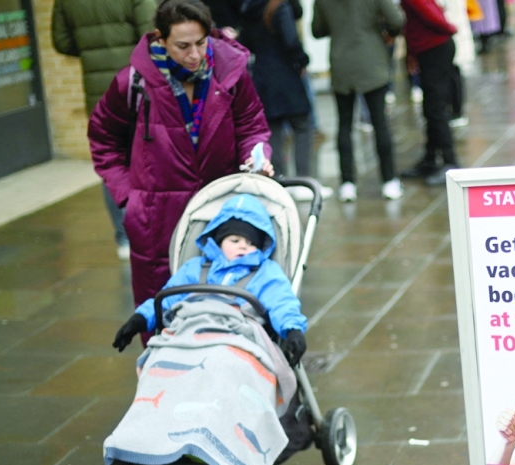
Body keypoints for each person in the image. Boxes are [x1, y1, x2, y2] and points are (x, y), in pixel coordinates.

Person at [89, 0, 273, 310]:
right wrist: (129, 197)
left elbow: (252, 125)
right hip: (155, 222)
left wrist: (256, 155)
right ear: (160, 38)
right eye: (183, 46)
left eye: (201, 43)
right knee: (161, 314)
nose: (195, 55)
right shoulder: (132, 83)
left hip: (221, 212)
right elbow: (103, 140)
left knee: (227, 310)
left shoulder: (230, 73)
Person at [112, 193, 307, 364]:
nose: (243, 247)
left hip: (237, 339)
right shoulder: (196, 268)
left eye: (251, 243)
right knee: (158, 360)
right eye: (235, 240)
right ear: (219, 242)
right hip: (189, 333)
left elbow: (281, 301)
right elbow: (167, 299)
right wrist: (140, 319)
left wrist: (292, 329)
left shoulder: (265, 272)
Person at [51, 0, 157, 261]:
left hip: (98, 95)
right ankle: (146, 231)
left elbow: (62, 41)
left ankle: (123, 237)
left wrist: (93, 50)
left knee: (111, 164)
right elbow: (152, 38)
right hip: (136, 88)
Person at [312, 0, 405, 203]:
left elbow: (317, 30)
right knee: (379, 122)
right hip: (372, 61)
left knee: (344, 125)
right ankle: (389, 181)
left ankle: (347, 184)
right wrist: (387, 32)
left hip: (341, 63)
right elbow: (397, 19)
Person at [239, 0, 324, 201]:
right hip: (286, 74)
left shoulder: (248, 8)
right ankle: (303, 180)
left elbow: (246, 42)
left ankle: (280, 181)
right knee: (302, 126)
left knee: (273, 130)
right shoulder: (279, 7)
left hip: (262, 76)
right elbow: (291, 40)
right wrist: (302, 61)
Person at [400, 0, 459, 187]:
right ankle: (430, 158)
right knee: (431, 107)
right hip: (430, 48)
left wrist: (450, 28)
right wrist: (411, 53)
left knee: (436, 108)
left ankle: (450, 162)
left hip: (435, 48)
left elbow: (430, 15)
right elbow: (413, 23)